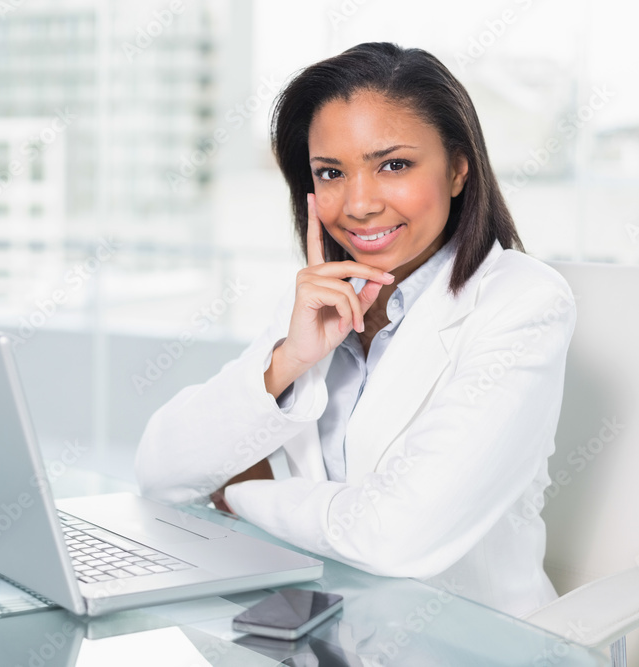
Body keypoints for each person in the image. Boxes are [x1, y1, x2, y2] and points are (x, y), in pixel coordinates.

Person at [134, 42, 576, 618]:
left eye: (393, 165)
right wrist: (288, 360)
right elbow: (161, 472)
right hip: (319, 633)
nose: (360, 204)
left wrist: (244, 494)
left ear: (459, 169)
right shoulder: (324, 299)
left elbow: (393, 536)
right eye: (331, 173)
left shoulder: (523, 303)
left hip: (464, 644)